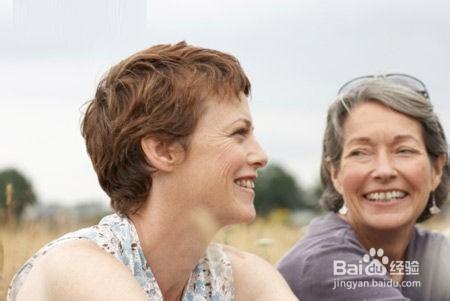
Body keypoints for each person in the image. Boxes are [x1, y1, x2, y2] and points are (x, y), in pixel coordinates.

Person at [8, 42, 297, 301]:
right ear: (162, 151)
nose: (261, 156)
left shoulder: (243, 278)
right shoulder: (76, 266)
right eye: (238, 133)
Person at [278, 74, 450, 300]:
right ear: (335, 173)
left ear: (436, 169)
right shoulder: (322, 264)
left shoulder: (432, 256)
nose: (384, 170)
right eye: (360, 152)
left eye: (404, 150)